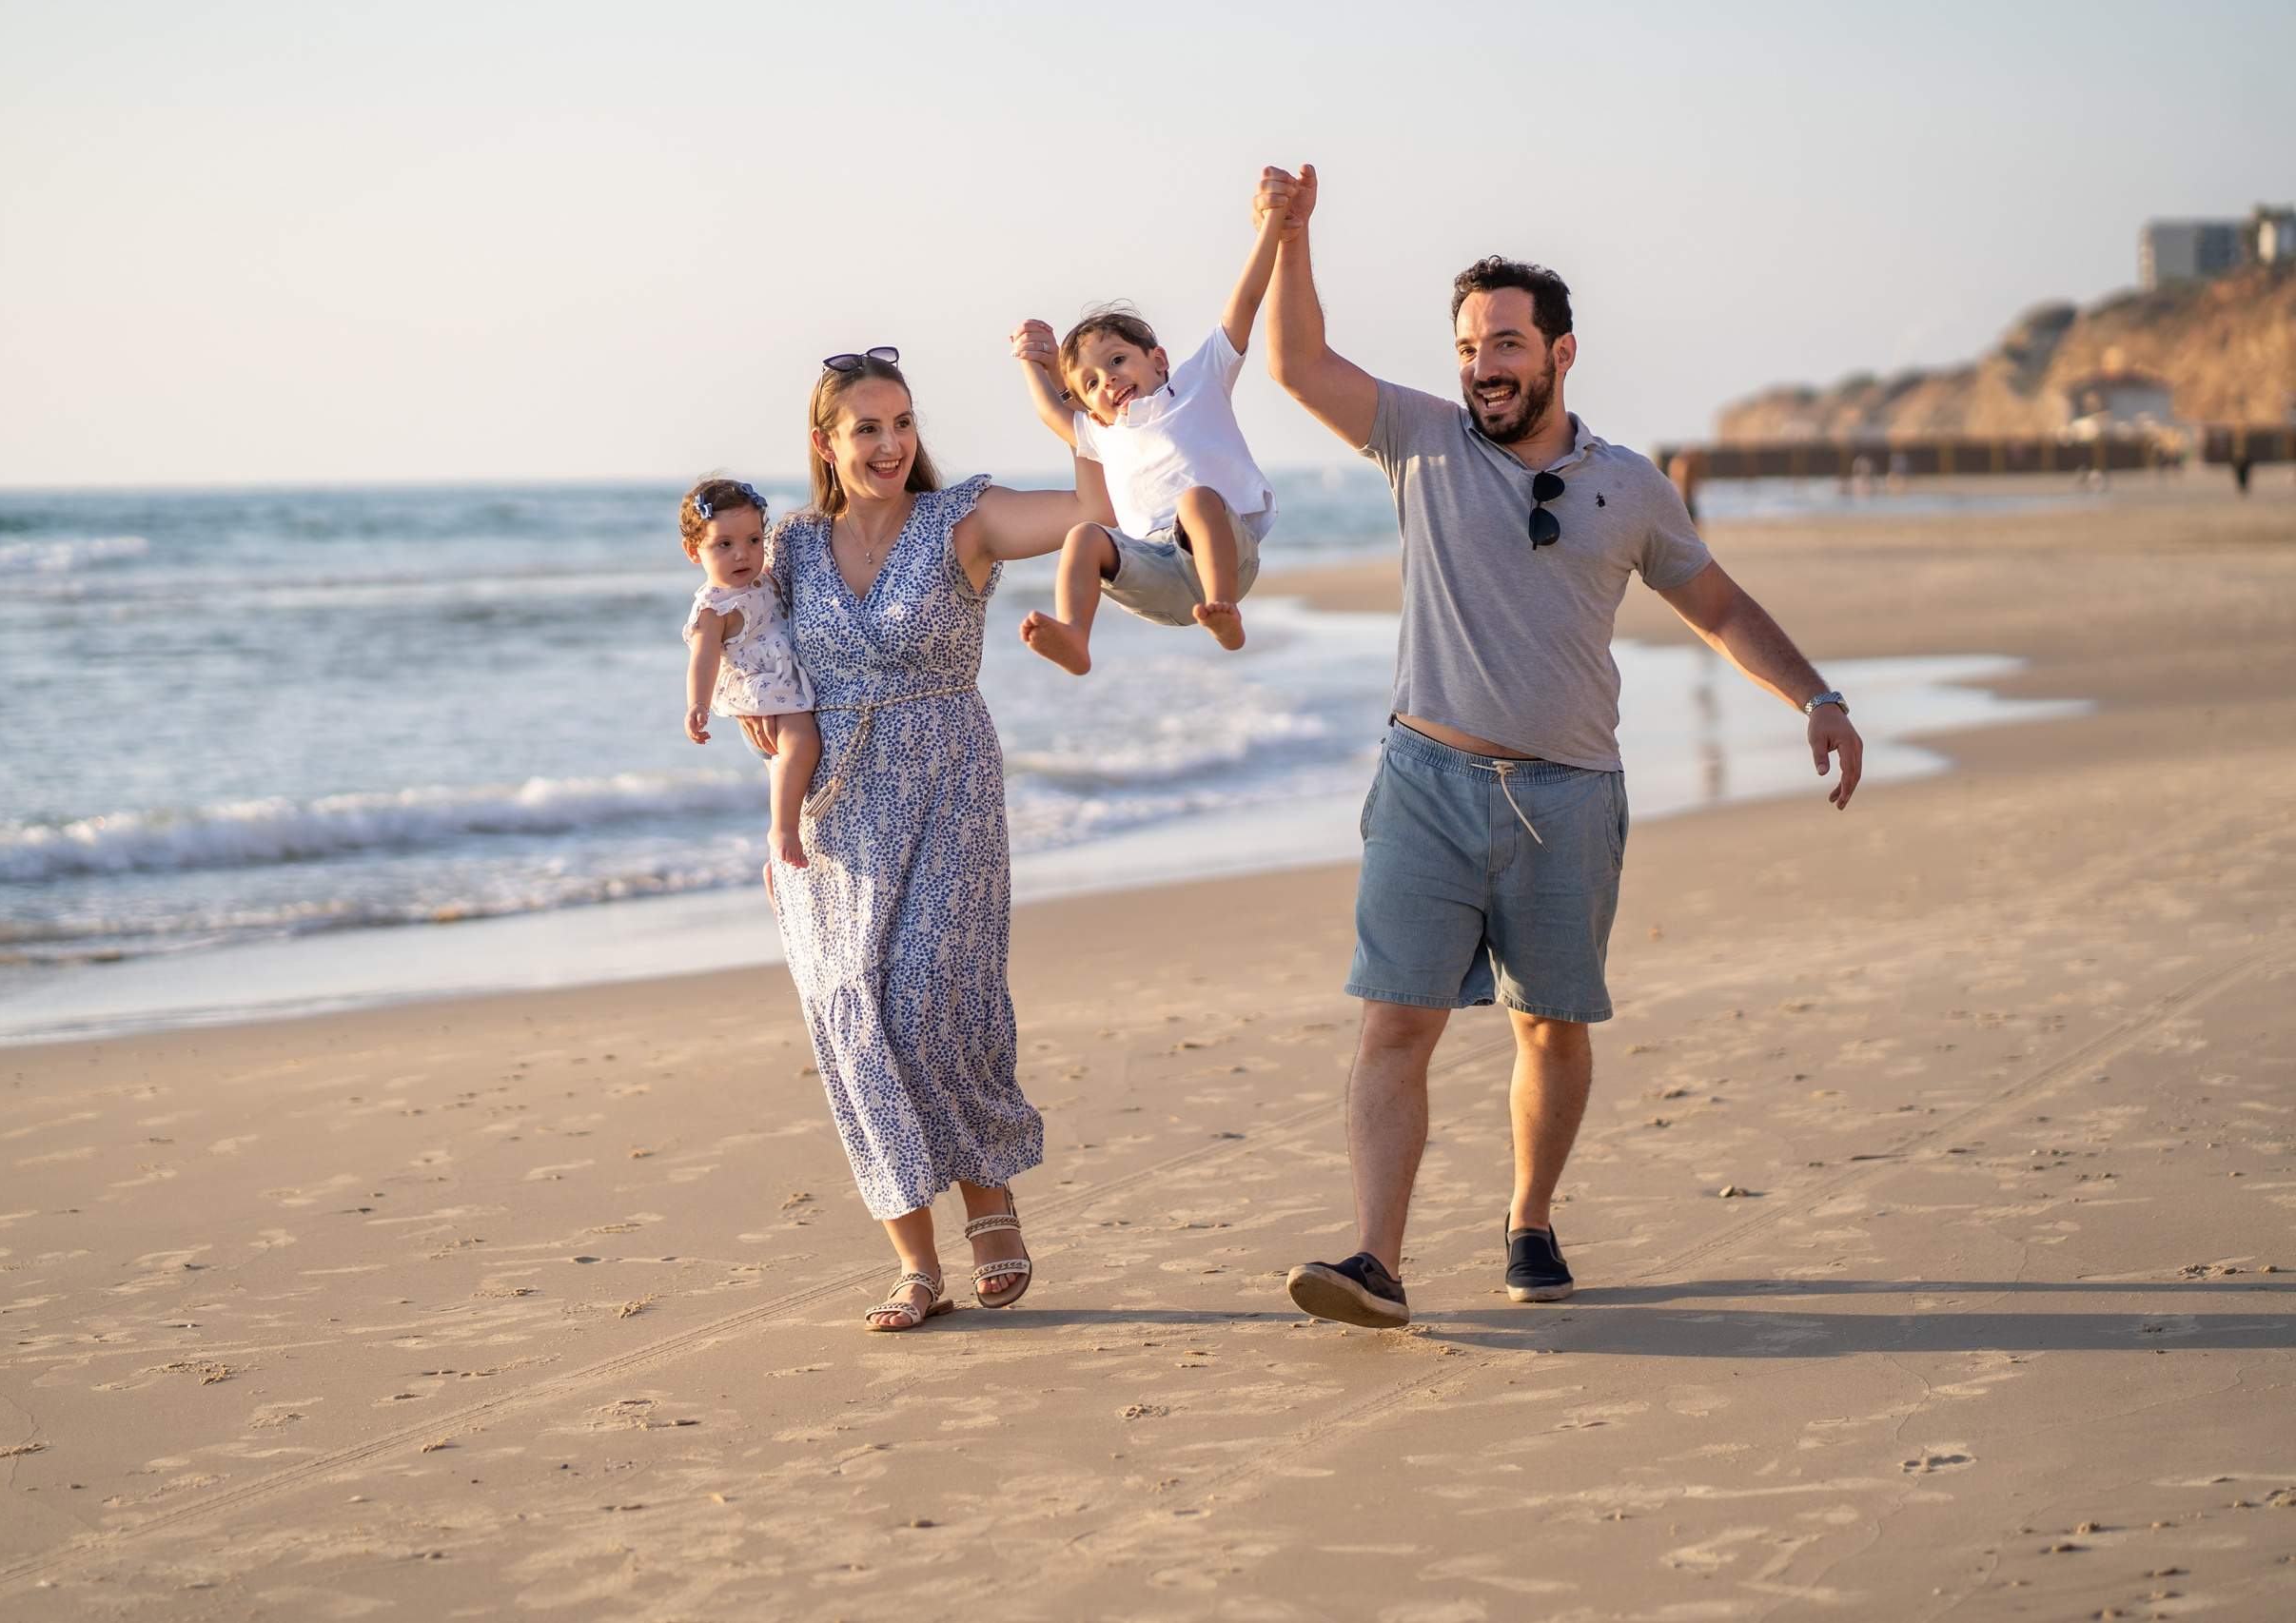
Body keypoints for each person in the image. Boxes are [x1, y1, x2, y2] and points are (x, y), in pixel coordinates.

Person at [1257, 164, 1865, 1327]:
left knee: (1553, 1025)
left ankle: (1528, 1218)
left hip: (1569, 796)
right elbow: (1294, 364)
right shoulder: (1419, 440)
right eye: (1470, 344)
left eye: (1506, 343)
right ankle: (1375, 1260)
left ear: (1560, 353)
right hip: (1426, 779)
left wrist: (1814, 697)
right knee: (1397, 1019)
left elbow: (1721, 606)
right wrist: (1290, 236)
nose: (1483, 364)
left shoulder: (1628, 486)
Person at [751, 346, 1113, 1332]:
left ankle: (988, 1195)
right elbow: (740, 629)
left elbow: (1098, 506)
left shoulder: (965, 521)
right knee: (853, 1020)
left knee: (927, 1002)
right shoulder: (787, 549)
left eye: (901, 422)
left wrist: (1059, 395)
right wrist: (751, 701)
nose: (889, 443)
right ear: (826, 443)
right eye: (866, 427)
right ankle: (915, 1265)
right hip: (832, 814)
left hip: (948, 779)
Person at [1004, 200, 1288, 673]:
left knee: (1195, 500)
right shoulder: (1102, 434)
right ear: (1088, 402)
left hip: (1225, 557)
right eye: (1091, 383)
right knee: (1083, 537)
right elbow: (1053, 412)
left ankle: (1226, 615)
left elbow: (1245, 302)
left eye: (1116, 360)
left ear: (1158, 359)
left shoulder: (1201, 381)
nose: (1108, 380)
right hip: (1159, 577)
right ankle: (1075, 635)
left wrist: (1274, 225)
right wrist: (1031, 361)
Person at [678, 479, 818, 870]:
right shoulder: (714, 609)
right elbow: (702, 660)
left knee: (798, 777)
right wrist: (697, 705)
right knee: (803, 745)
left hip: (785, 687)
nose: (742, 554)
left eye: (754, 540)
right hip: (767, 696)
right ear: (694, 551)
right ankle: (782, 830)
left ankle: (777, 872)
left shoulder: (762, 578)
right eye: (724, 544)